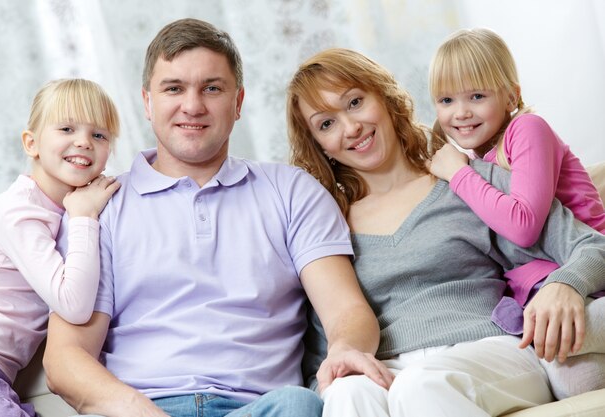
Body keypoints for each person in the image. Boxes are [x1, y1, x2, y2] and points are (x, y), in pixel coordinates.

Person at [43, 18, 392, 417]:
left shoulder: (292, 191)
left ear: (238, 102)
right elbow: (65, 359)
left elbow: (346, 311)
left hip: (262, 408)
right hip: (141, 408)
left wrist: (346, 348)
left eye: (212, 88)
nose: (192, 106)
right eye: (174, 88)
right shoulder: (98, 208)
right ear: (147, 102)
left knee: (298, 404)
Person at [286, 47, 605, 417]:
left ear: (384, 97)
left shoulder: (467, 182)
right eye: (326, 123)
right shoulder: (325, 226)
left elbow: (591, 245)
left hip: (487, 352)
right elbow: (322, 348)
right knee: (345, 396)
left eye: (355, 102)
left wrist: (564, 284)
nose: (351, 128)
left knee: (420, 386)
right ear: (318, 145)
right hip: (388, 367)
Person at [426, 27, 605, 399]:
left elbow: (523, 227)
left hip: (588, 271)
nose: (460, 113)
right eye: (445, 100)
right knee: (572, 379)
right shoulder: (479, 161)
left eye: (476, 96)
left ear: (511, 96)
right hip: (540, 292)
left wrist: (459, 174)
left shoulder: (526, 129)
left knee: (562, 339)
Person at [0, 78, 121, 417]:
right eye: (67, 128)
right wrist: (84, 215)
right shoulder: (18, 211)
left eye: (99, 135)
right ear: (31, 143)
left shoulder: (68, 208)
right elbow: (74, 305)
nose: (84, 142)